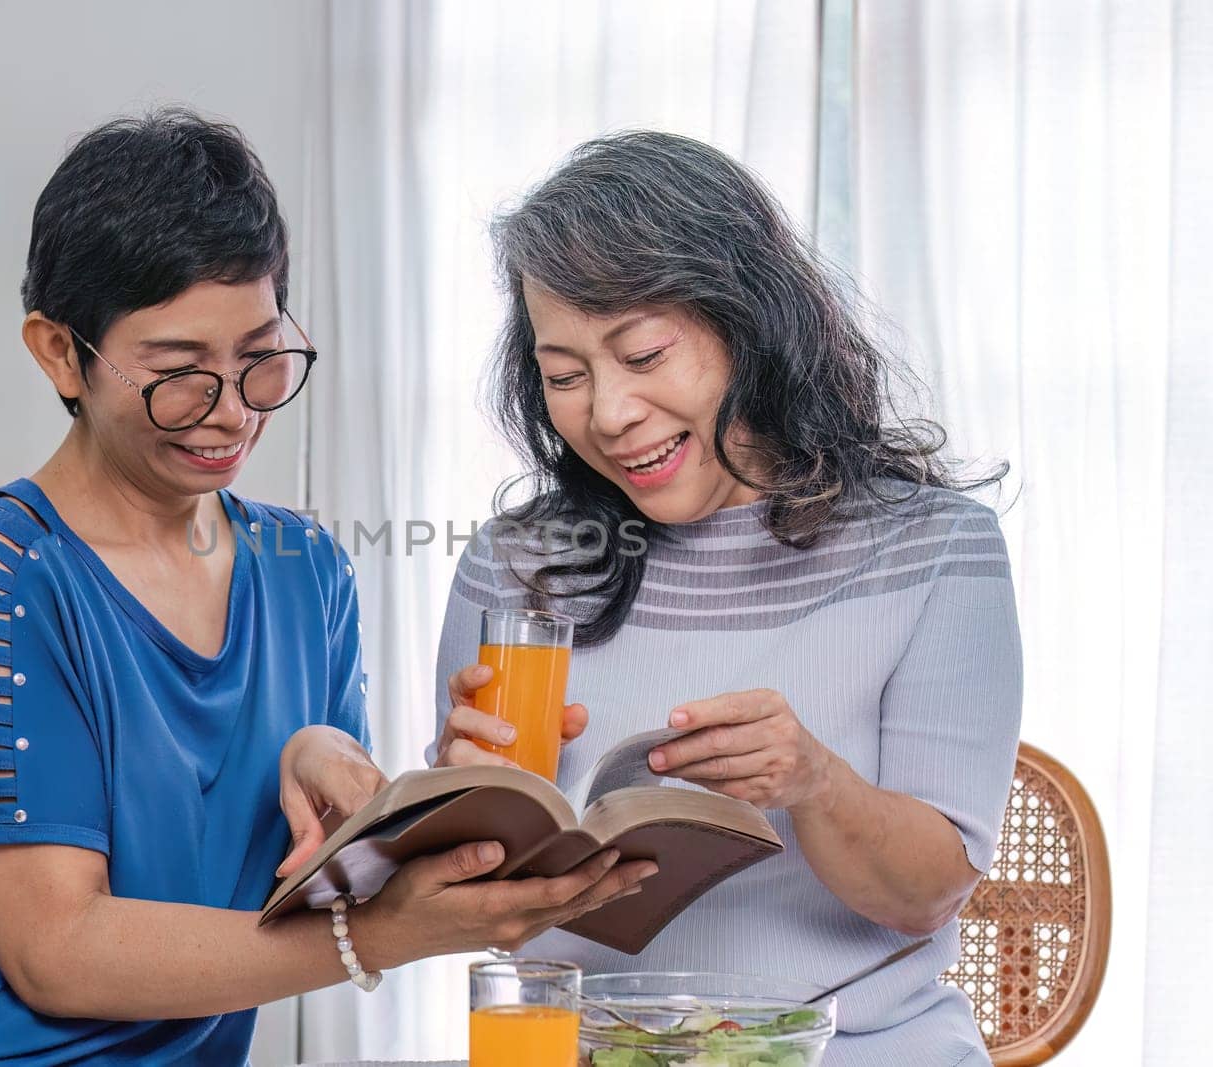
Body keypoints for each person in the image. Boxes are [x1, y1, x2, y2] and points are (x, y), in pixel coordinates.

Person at [0, 109, 654, 1067]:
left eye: (261, 359)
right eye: (179, 374)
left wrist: (415, 797)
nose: (232, 412)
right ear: (59, 351)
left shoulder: (305, 568)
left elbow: (320, 878)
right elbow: (56, 954)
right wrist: (387, 936)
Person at [432, 131, 1021, 1065]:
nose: (611, 414)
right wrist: (468, 807)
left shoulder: (936, 549)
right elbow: (492, 927)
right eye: (565, 375)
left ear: (745, 325)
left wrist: (814, 783)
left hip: (851, 1049)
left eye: (644, 354)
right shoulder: (518, 565)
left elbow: (929, 894)